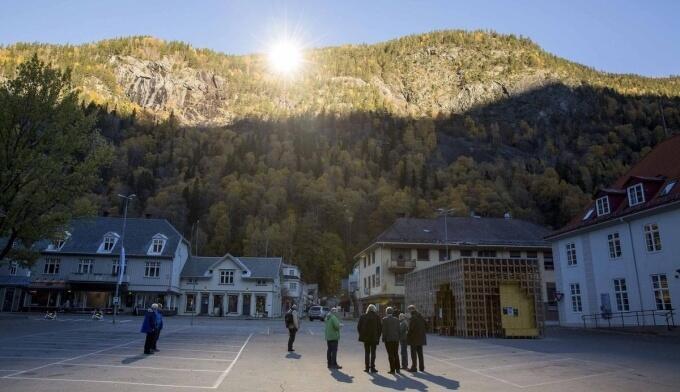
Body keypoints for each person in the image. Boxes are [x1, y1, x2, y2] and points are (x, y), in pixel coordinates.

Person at [357, 304, 381, 373]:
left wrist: (362, 334)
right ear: (374, 309)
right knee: (373, 353)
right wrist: (378, 336)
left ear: (368, 309)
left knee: (367, 352)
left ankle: (367, 368)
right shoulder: (377, 317)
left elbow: (359, 327)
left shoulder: (363, 316)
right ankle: (373, 367)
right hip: (374, 338)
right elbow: (380, 328)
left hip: (366, 338)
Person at [407, 304, 427, 372]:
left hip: (414, 338)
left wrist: (408, 336)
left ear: (411, 310)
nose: (409, 312)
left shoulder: (413, 317)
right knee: (420, 353)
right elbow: (426, 325)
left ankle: (414, 367)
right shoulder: (420, 316)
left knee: (413, 353)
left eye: (409, 310)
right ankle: (422, 367)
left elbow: (411, 329)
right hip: (420, 338)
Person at [381, 307, 401, 374]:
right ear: (392, 312)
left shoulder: (384, 319)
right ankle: (398, 368)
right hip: (396, 339)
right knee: (396, 354)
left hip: (388, 339)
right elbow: (399, 329)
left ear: (386, 312)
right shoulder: (397, 319)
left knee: (390, 354)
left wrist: (383, 338)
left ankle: (392, 370)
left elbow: (384, 330)